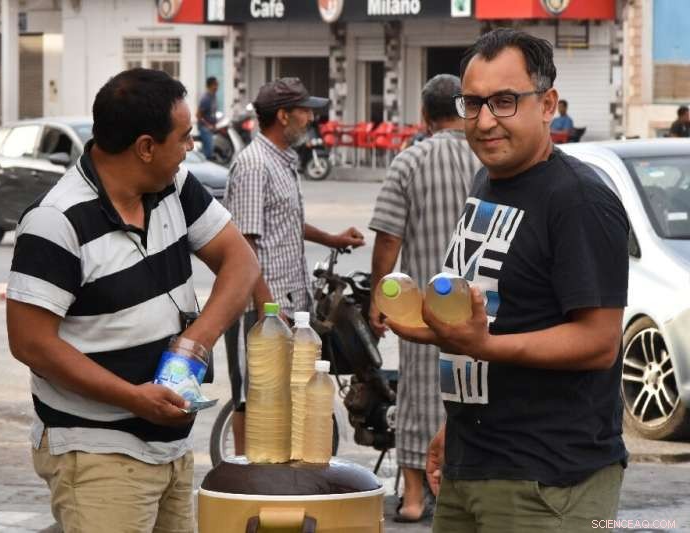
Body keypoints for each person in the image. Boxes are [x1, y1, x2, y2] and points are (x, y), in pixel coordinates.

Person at [387, 29, 629, 532]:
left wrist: (482, 346)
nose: (486, 120)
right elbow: (498, 313)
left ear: (547, 104)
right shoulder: (487, 183)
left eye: (504, 101)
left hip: (548, 481)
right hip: (471, 460)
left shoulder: (578, 199)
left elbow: (599, 341)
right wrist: (454, 422)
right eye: (473, 103)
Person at [6, 68, 259, 533]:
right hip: (97, 453)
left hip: (171, 446)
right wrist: (133, 398)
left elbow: (240, 261)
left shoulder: (175, 188)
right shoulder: (55, 222)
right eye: (183, 138)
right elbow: (30, 344)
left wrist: (194, 343)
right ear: (146, 147)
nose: (189, 149)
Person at [223, 77, 365, 455]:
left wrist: (332, 239)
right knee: (253, 397)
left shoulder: (282, 161)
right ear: (283, 116)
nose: (310, 118)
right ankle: (244, 479)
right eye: (304, 111)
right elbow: (245, 245)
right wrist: (269, 311)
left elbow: (283, 222)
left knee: (285, 398)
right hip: (262, 310)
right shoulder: (255, 165)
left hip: (286, 307)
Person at [368, 73, 481, 524]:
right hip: (482, 306)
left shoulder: (410, 160)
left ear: (424, 115)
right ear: (463, 109)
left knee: (417, 393)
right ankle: (461, 491)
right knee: (473, 392)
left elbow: (387, 238)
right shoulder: (486, 154)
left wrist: (379, 298)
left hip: (424, 308)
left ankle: (414, 499)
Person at [197, 76, 219, 159]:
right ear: (209, 86)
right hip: (205, 128)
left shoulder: (214, 97)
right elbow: (198, 115)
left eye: (217, 85)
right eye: (215, 85)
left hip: (211, 128)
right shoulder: (205, 99)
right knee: (208, 152)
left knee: (208, 150)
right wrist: (208, 125)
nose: (217, 87)